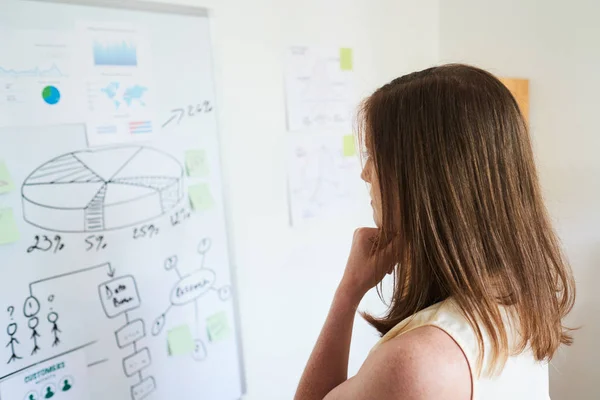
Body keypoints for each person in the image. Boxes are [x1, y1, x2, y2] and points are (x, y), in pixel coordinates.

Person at [294, 64, 575, 400]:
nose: (366, 174)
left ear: (425, 177)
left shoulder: (418, 362)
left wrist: (347, 292)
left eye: (374, 155)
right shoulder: (519, 292)